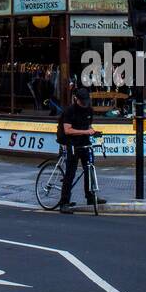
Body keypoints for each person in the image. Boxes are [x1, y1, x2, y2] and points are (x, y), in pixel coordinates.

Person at [57, 85, 106, 214]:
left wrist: (93, 131)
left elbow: (89, 126)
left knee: (89, 169)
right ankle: (64, 202)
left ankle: (90, 197)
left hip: (85, 142)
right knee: (70, 173)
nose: (85, 103)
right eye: (82, 101)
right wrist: (85, 131)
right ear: (76, 99)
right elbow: (67, 130)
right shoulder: (70, 111)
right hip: (72, 143)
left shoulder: (89, 110)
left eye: (86, 101)